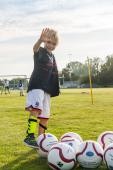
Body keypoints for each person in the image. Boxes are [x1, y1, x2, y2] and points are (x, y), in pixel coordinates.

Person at [24, 28, 60, 148]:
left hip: (46, 89)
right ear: (45, 42)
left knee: (45, 115)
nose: (51, 45)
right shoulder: (41, 51)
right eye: (49, 42)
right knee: (35, 110)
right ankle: (29, 137)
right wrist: (40, 40)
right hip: (37, 85)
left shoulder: (52, 56)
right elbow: (34, 49)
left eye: (54, 43)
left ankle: (41, 141)